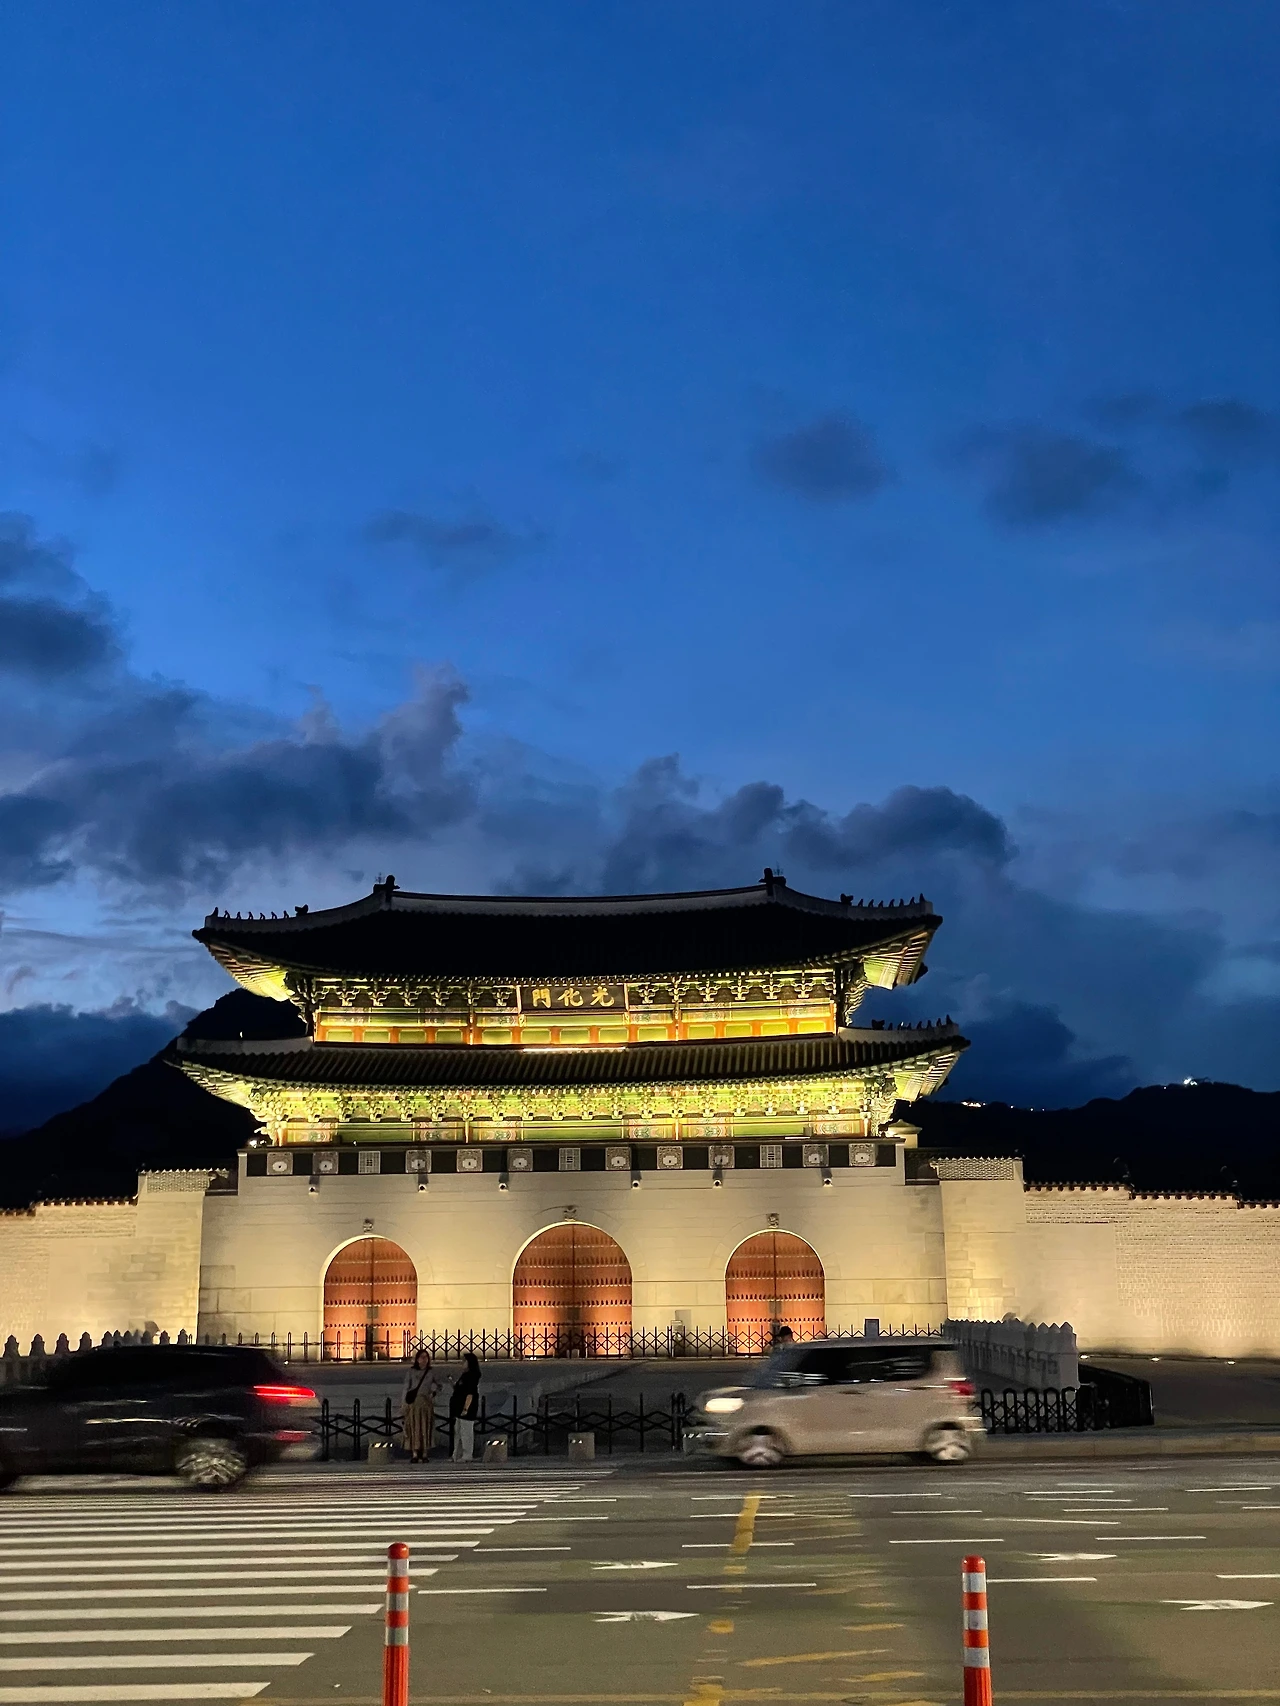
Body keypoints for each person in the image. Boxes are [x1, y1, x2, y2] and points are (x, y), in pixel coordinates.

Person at [401, 1350, 439, 1463]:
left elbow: (439, 1385)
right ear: (417, 1359)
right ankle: (415, 1453)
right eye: (422, 1357)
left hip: (426, 1403)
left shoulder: (431, 1372)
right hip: (413, 1403)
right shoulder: (411, 1372)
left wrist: (433, 1393)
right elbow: (406, 1387)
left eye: (426, 1357)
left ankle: (425, 1452)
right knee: (414, 1427)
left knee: (425, 1427)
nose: (424, 1359)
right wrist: (404, 1403)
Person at [449, 1351, 481, 1462]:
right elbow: (459, 1389)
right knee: (458, 1431)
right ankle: (456, 1454)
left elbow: (470, 1394)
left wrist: (466, 1408)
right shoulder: (464, 1375)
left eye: (464, 1361)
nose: (462, 1363)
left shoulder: (472, 1376)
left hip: (466, 1407)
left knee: (466, 1432)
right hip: (459, 1406)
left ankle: (467, 1454)